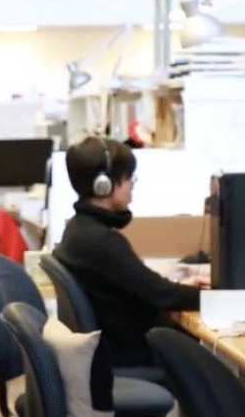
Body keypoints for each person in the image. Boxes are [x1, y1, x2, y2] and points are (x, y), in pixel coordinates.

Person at [53, 136, 207, 368]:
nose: (132, 187)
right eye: (128, 179)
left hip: (113, 350)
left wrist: (181, 287)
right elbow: (162, 295)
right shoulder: (102, 241)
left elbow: (141, 285)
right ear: (105, 185)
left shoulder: (78, 230)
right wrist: (219, 300)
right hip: (132, 354)